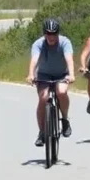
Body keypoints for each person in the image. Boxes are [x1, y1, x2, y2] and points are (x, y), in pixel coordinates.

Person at [26, 17, 75, 146]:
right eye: (48, 34)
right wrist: (31, 74)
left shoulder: (65, 42)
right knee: (43, 98)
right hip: (44, 76)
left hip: (61, 75)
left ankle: (64, 120)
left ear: (58, 33)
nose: (51, 37)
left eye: (54, 34)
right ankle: (42, 132)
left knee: (61, 92)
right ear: (44, 33)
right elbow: (34, 60)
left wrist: (71, 74)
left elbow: (69, 59)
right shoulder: (38, 44)